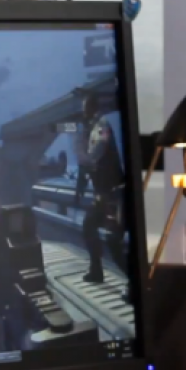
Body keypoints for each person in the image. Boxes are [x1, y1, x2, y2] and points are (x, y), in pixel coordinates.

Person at [74, 92, 127, 284]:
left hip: (112, 193)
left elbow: (95, 154)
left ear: (91, 108)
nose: (83, 113)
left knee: (112, 239)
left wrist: (81, 148)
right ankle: (96, 270)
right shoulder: (96, 127)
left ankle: (132, 280)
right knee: (90, 225)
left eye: (84, 109)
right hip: (105, 193)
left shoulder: (102, 126)